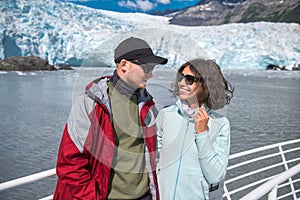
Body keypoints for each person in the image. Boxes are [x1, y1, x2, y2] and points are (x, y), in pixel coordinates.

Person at [53, 37, 168, 200]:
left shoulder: (147, 105)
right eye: (146, 68)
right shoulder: (90, 104)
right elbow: (69, 163)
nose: (151, 74)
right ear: (124, 66)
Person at [156, 58, 234, 200]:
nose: (182, 83)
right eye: (180, 77)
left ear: (206, 84)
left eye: (189, 79)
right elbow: (156, 158)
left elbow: (215, 175)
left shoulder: (220, 124)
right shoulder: (165, 115)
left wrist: (202, 133)